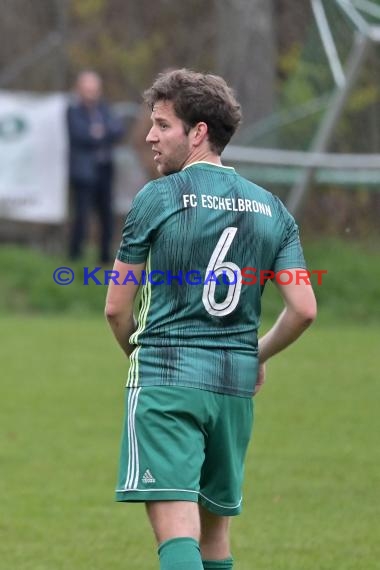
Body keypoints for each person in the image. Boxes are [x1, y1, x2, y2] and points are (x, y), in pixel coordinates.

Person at [105, 69, 317, 570]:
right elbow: (304, 309)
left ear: (198, 132)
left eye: (162, 125)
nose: (151, 136)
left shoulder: (157, 197)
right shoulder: (273, 209)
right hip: (233, 388)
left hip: (167, 376)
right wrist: (256, 354)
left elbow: (116, 306)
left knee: (178, 534)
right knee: (215, 538)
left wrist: (138, 352)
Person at [67, 70, 124, 263]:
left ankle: (105, 258)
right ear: (80, 89)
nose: (91, 92)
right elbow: (79, 135)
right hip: (84, 172)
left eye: (94, 88)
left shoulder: (104, 109)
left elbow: (118, 129)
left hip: (105, 169)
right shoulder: (73, 110)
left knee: (106, 216)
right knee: (81, 216)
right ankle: (75, 256)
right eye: (87, 88)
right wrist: (100, 134)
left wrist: (99, 133)